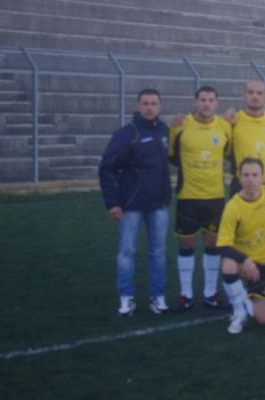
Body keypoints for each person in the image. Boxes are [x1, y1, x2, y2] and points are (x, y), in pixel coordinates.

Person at [98, 88, 171, 316]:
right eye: (146, 103)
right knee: (126, 252)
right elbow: (107, 169)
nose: (150, 107)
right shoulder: (126, 134)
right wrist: (113, 203)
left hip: (158, 205)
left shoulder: (164, 130)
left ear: (159, 107)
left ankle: (157, 297)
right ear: (138, 106)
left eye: (154, 103)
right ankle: (126, 298)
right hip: (131, 205)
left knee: (158, 253)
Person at [168, 86, 232, 311]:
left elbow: (229, 153)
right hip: (188, 197)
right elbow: (172, 156)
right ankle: (185, 294)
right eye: (202, 100)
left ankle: (209, 293)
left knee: (212, 245)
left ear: (217, 103)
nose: (206, 104)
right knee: (186, 244)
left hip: (215, 197)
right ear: (195, 102)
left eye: (210, 100)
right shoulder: (181, 125)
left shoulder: (225, 127)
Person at [216, 158, 265, 334]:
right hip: (243, 264)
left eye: (255, 175)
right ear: (239, 178)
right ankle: (239, 311)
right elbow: (222, 245)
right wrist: (244, 260)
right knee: (228, 264)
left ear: (262, 178)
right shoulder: (233, 206)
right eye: (246, 175)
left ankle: (244, 297)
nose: (250, 179)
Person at [228, 79, 265, 196]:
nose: (255, 96)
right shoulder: (234, 120)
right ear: (244, 95)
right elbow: (227, 151)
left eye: (259, 93)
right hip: (242, 184)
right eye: (250, 92)